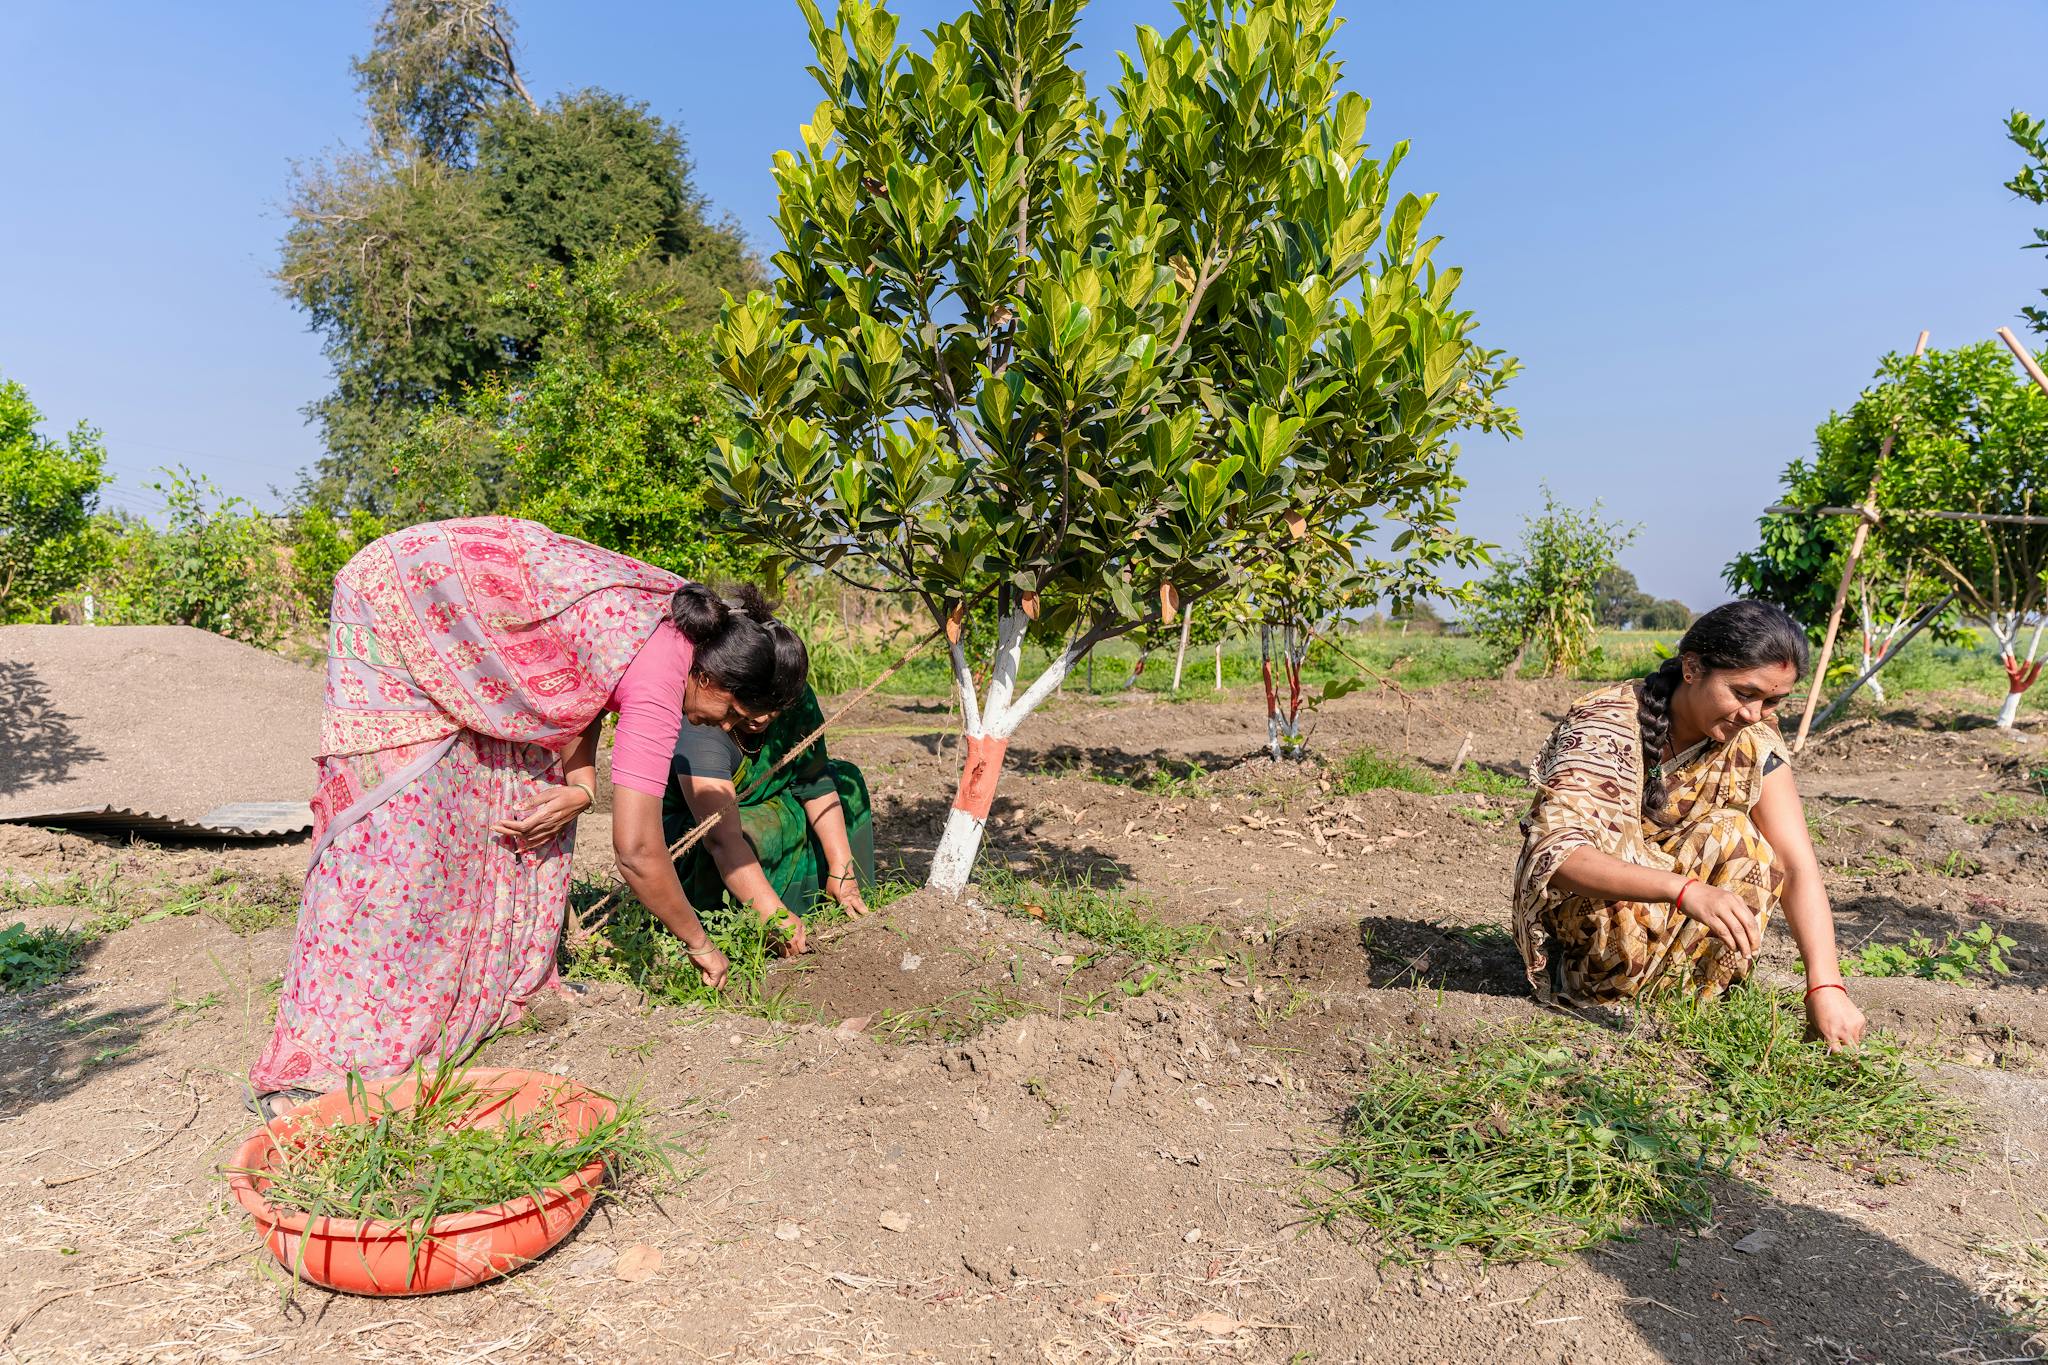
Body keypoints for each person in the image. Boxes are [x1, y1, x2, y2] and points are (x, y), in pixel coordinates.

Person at [249, 517, 806, 1117]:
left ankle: (500, 991)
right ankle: (325, 1060)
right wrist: (700, 945)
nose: (716, 728)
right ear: (710, 675)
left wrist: (582, 783)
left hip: (458, 611)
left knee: (528, 794)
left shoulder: (682, 627)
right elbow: (637, 851)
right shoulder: (663, 681)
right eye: (728, 714)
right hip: (400, 600)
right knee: (400, 836)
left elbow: (583, 673)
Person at [1511, 601, 1868, 1049]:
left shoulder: (1754, 740)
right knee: (1723, 836)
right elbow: (1558, 855)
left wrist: (1826, 986)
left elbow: (1797, 866)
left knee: (1738, 838)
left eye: (1772, 701)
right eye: (1743, 693)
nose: (1754, 714)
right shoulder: (1606, 722)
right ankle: (1597, 991)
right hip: (1593, 928)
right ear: (1693, 667)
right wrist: (1685, 890)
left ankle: (1685, 1005)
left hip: (1670, 918)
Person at [664, 681, 875, 943]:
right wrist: (773, 916)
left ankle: (843, 897)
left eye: (773, 707)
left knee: (845, 781)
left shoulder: (795, 699)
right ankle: (734, 927)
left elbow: (815, 784)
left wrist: (842, 871)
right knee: (756, 830)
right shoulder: (704, 727)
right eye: (751, 704)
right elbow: (722, 840)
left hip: (759, 805)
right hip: (698, 833)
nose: (761, 718)